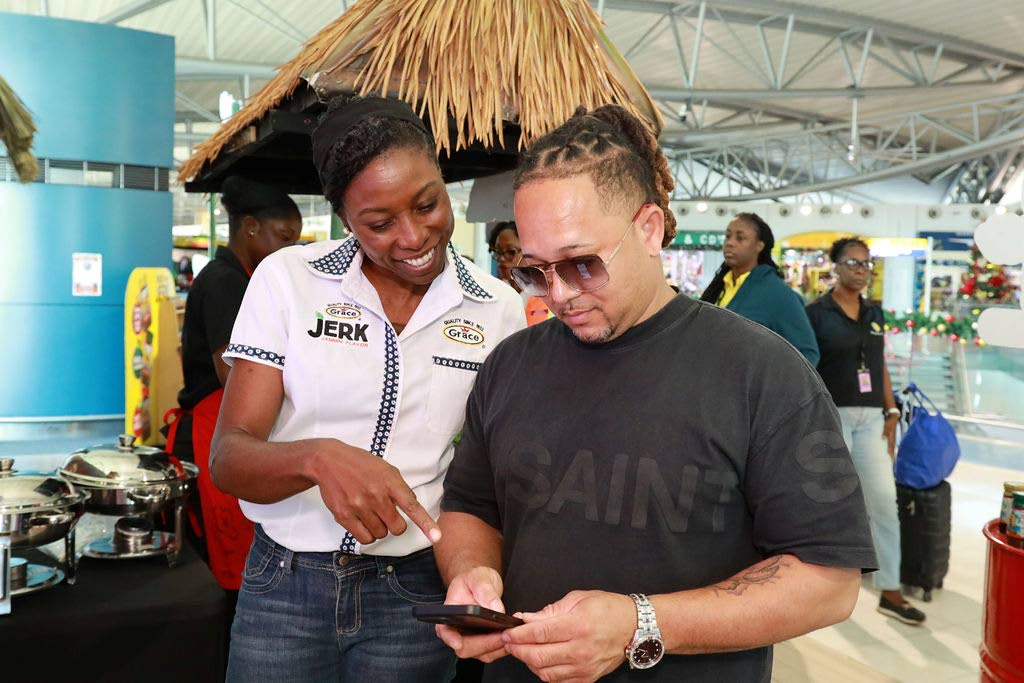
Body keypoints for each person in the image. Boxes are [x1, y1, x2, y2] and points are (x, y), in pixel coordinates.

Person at [435, 104, 878, 682]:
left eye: (582, 263)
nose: (560, 293)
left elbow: (829, 582)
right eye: (536, 270)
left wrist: (640, 625)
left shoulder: (763, 373)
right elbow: (471, 505)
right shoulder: (511, 364)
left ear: (647, 229)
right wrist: (472, 574)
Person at [209, 94, 525, 681]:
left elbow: (488, 475)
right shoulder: (290, 282)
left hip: (415, 591)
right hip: (285, 586)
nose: (412, 237)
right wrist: (318, 458)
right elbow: (229, 459)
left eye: (428, 204)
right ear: (344, 219)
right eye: (378, 224)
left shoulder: (496, 308)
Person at [169, 175, 301, 596]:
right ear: (249, 227)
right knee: (227, 564)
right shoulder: (225, 280)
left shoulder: (246, 277)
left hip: (221, 424)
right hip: (214, 427)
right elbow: (235, 374)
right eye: (284, 237)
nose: (290, 249)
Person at [806, 237, 927, 626]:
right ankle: (824, 588)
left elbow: (878, 365)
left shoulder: (875, 312)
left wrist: (891, 409)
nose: (861, 270)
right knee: (834, 504)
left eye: (867, 264)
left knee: (883, 502)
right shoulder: (816, 314)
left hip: (873, 418)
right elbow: (807, 367)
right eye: (853, 263)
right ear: (836, 267)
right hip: (833, 415)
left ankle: (890, 589)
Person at [699, 213, 819, 365]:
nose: (730, 243)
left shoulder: (779, 294)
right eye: (728, 236)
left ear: (759, 246)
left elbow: (808, 353)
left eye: (740, 238)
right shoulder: (719, 287)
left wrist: (766, 383)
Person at [489, 221, 551, 326]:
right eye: (498, 252)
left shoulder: (547, 292)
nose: (501, 259)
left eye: (510, 252)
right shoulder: (492, 293)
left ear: (528, 251)